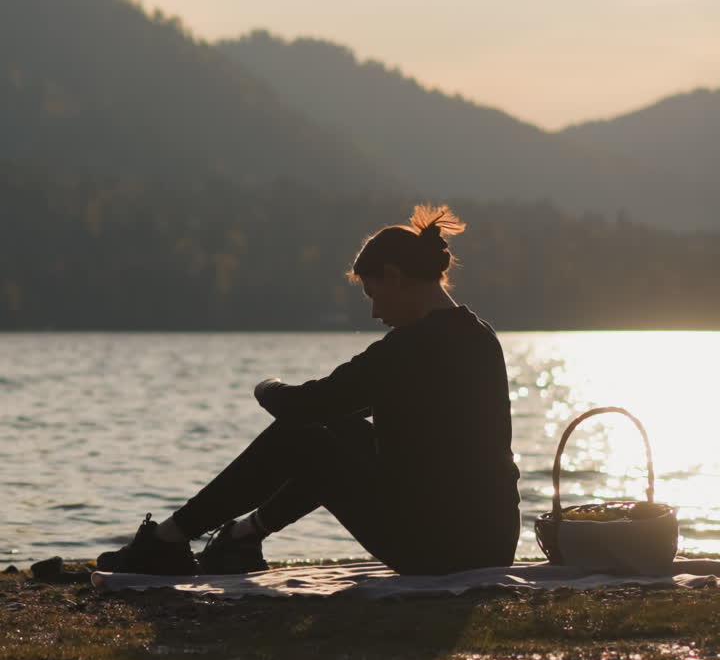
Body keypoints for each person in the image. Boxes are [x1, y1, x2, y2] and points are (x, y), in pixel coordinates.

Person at [96, 204, 521, 576]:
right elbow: (338, 409)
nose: (374, 312)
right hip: (491, 541)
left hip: (443, 550)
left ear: (394, 277)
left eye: (374, 295)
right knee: (342, 432)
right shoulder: (479, 336)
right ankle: (243, 536)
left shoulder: (411, 347)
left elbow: (303, 406)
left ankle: (167, 540)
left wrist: (266, 385)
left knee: (300, 434)